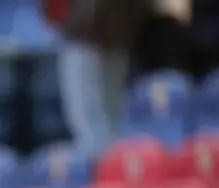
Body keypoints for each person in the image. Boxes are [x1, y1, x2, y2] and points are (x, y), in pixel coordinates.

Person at [45, 0, 153, 154]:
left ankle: (106, 165)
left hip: (89, 38)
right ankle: (112, 164)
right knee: (106, 117)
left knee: (92, 118)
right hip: (111, 37)